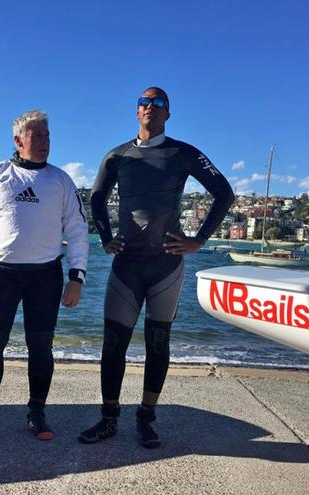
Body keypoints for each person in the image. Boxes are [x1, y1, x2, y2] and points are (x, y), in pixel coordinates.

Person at [79, 87, 234, 448]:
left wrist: (199, 241)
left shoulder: (183, 153)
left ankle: (147, 418)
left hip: (166, 264)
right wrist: (105, 237)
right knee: (113, 343)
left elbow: (224, 193)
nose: (150, 106)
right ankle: (108, 418)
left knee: (158, 343)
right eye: (144, 102)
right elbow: (96, 198)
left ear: (168, 113)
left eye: (158, 102)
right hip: (127, 264)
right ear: (136, 111)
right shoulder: (117, 156)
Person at [0, 110, 89, 444]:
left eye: (47, 136)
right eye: (37, 136)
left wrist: (77, 276)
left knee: (40, 347)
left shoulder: (60, 180)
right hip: (1, 275)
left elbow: (77, 227)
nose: (44, 143)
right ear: (18, 140)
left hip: (45, 276)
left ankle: (36, 414)